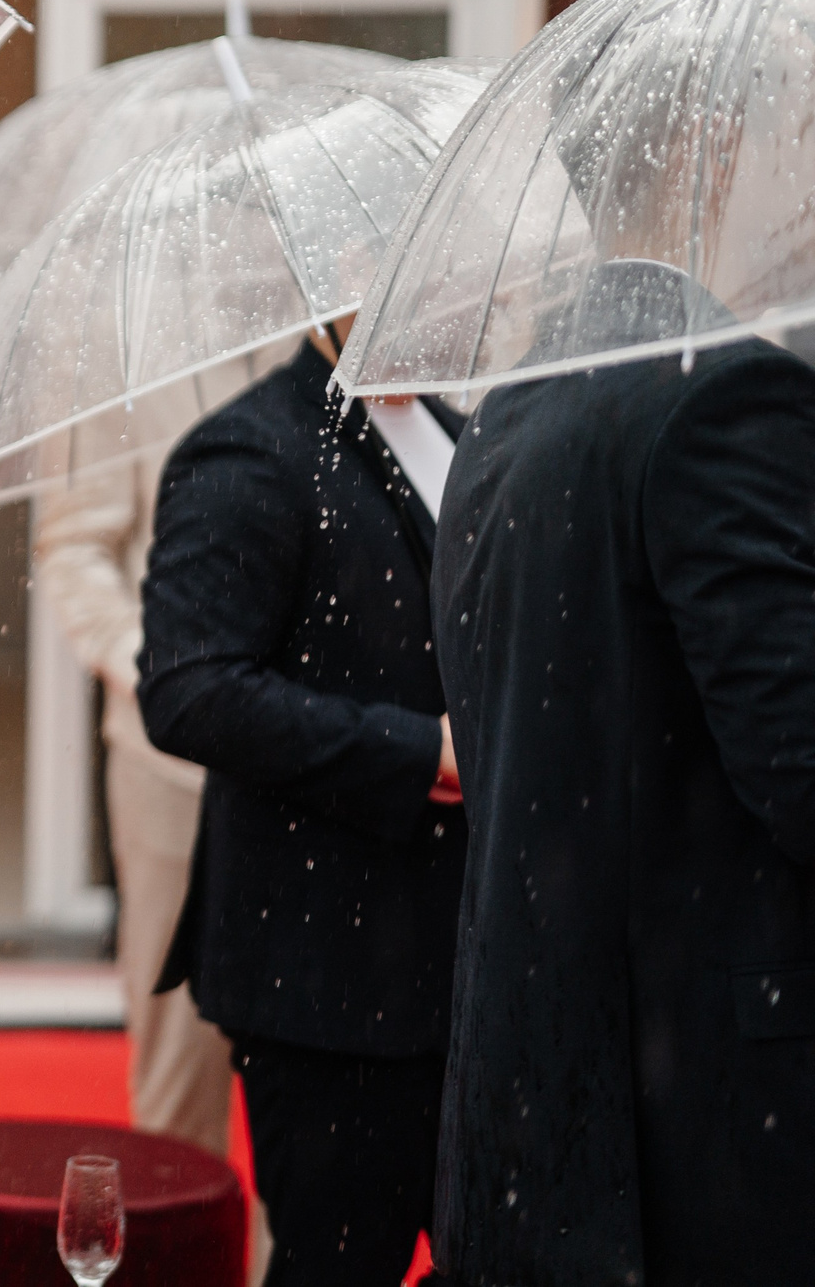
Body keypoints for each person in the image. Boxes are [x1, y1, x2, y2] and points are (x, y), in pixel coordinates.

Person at [427, 261, 815, 1285]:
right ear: (714, 146)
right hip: (711, 1125)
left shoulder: (510, 406)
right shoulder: (723, 394)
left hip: (543, 1091)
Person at [138, 323, 466, 1287]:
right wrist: (421, 755)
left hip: (465, 961)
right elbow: (190, 686)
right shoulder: (253, 444)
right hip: (330, 978)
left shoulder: (458, 424)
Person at [34, 460, 234, 1150]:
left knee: (317, 1102)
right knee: (178, 1082)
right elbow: (74, 546)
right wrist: (166, 675)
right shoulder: (123, 353)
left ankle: (286, 1264)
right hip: (170, 760)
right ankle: (180, 1256)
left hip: (327, 754)